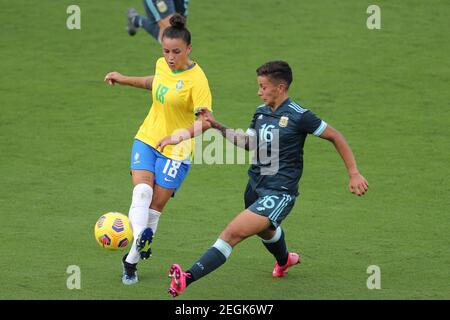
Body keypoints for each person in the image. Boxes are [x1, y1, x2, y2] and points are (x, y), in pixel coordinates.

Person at [159, 60, 369, 297]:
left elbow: (335, 136)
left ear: (280, 88)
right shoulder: (260, 113)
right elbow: (247, 143)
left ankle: (186, 278)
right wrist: (216, 126)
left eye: (263, 86)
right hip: (255, 186)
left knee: (232, 234)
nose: (258, 91)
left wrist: (353, 173)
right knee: (266, 231)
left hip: (279, 192)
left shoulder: (300, 116)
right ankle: (285, 260)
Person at [104, 13, 212, 285]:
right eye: (166, 51)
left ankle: (131, 260)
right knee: (141, 193)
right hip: (148, 138)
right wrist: (124, 78)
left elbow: (206, 122)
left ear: (189, 48)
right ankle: (141, 241)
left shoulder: (197, 80)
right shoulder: (162, 65)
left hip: (177, 151)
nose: (171, 57)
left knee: (153, 209)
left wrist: (179, 136)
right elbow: (155, 83)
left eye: (176, 51)